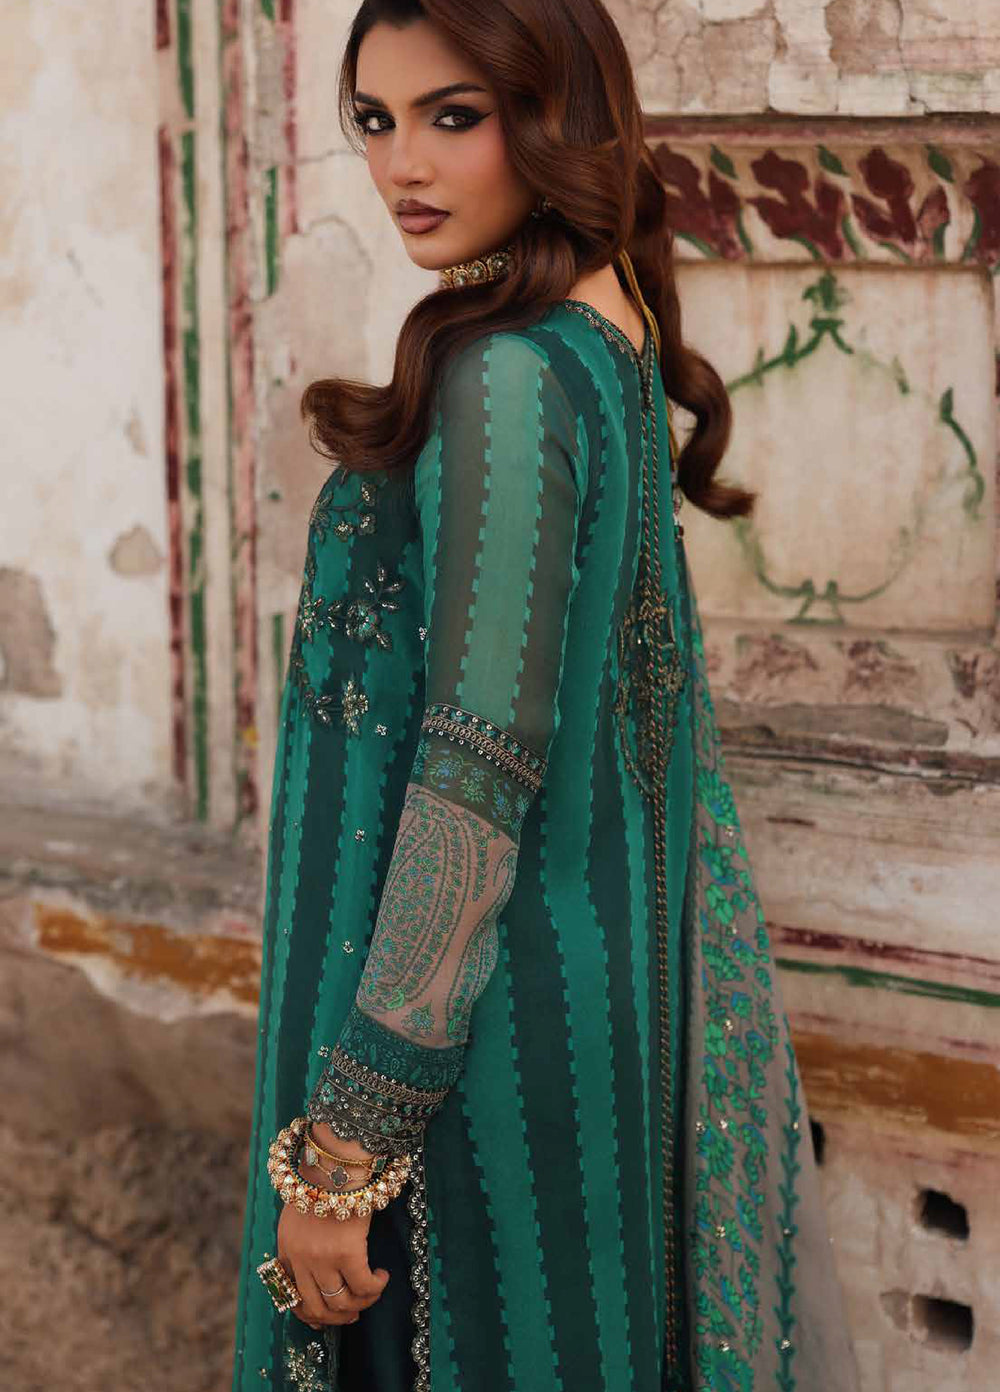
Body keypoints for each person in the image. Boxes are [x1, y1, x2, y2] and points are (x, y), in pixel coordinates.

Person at [231, 2, 860, 1389]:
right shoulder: (604, 328)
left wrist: (344, 1150)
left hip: (478, 1054)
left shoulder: (509, 375)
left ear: (555, 114)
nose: (402, 164)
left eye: (453, 117)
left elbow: (475, 777)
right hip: (590, 1000)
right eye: (376, 120)